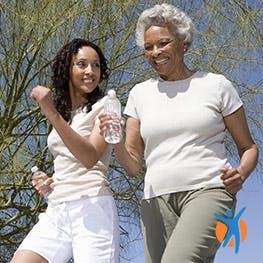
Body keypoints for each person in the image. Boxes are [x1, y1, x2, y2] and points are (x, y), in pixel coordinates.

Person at [99, 3, 258, 263]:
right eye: (148, 48)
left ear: (183, 42)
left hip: (209, 191)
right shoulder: (140, 94)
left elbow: (249, 147)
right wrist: (114, 140)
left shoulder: (216, 85)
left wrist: (241, 173)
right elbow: (132, 165)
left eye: (163, 43)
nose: (155, 52)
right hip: (155, 201)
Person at [11, 38, 120, 263]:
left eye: (96, 65)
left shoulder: (106, 106)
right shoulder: (66, 115)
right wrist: (51, 182)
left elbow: (90, 157)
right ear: (67, 69)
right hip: (57, 208)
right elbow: (71, 160)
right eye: (82, 64)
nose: (91, 71)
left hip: (92, 207)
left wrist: (52, 114)